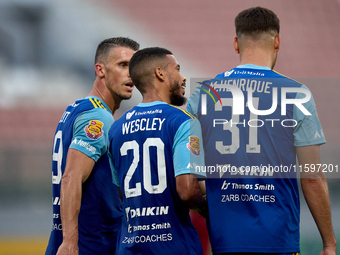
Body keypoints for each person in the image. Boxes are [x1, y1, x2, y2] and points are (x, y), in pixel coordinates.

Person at [187, 7, 336, 255]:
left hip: (225, 242)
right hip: (278, 241)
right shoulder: (296, 94)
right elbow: (312, 176)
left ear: (236, 43)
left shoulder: (204, 94)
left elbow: (190, 175)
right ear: (277, 41)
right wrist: (329, 243)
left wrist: (209, 202)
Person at [45, 37, 140, 255]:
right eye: (123, 65)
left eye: (133, 67)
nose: (130, 74)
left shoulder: (76, 108)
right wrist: (70, 242)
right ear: (100, 70)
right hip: (90, 244)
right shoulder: (98, 117)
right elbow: (70, 177)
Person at [108, 47, 206, 255]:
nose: (183, 77)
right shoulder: (182, 122)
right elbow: (187, 191)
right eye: (177, 69)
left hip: (129, 247)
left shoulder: (115, 130)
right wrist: (208, 209)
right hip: (173, 246)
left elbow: (120, 193)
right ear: (160, 73)